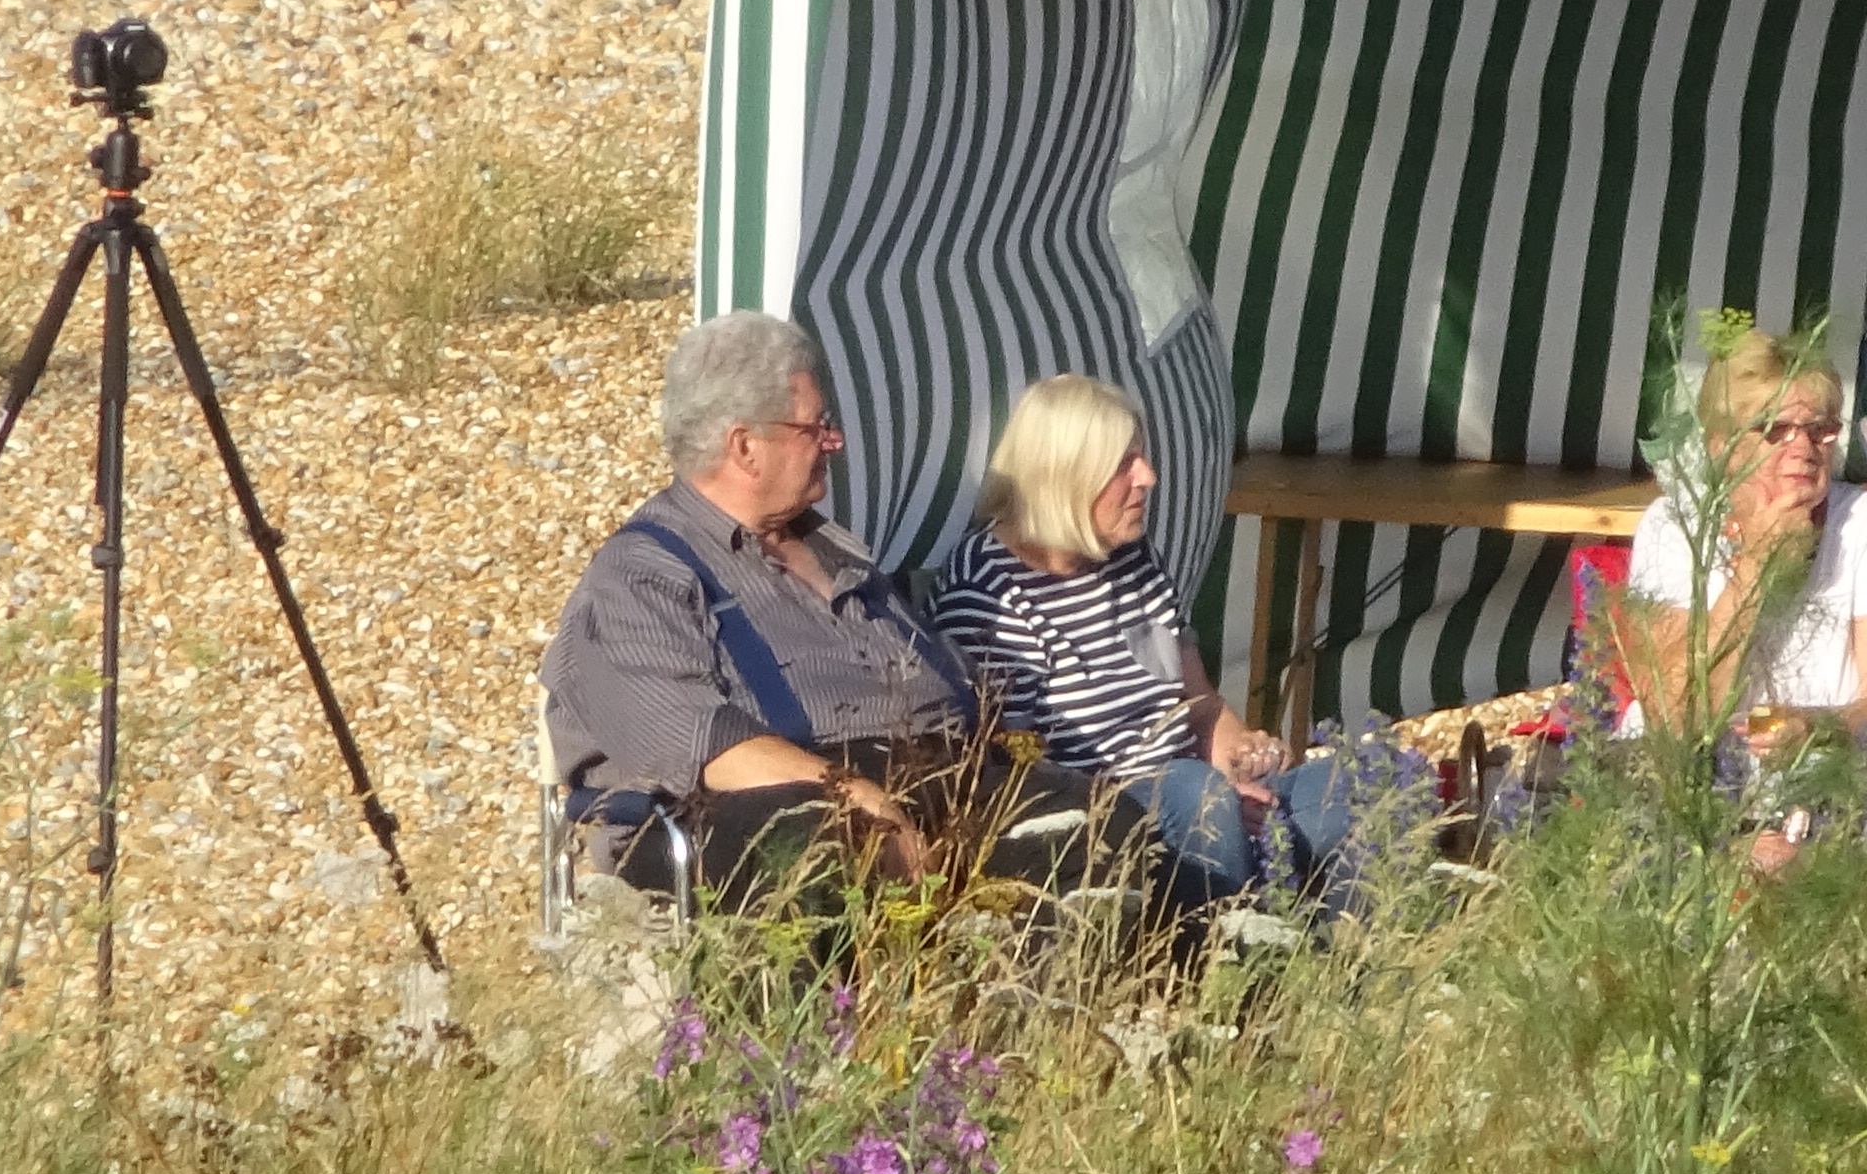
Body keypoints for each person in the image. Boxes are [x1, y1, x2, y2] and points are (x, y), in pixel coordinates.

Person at [541, 311, 1011, 902]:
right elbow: (698, 741)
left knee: (1100, 825)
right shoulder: (640, 577)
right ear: (745, 447)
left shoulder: (835, 551)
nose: (834, 443)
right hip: (757, 812)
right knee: (814, 848)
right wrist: (853, 795)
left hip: (934, 780)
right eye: (816, 428)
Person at [939, 371, 1380, 910]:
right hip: (1105, 825)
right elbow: (1018, 779)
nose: (1147, 476)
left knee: (1367, 782)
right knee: (1195, 793)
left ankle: (1337, 954)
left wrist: (1243, 757)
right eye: (1124, 463)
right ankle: (1230, 950)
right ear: (1066, 474)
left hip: (1197, 794)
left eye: (1142, 457)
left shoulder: (1129, 557)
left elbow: (1200, 706)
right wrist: (1211, 796)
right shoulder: (988, 593)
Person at [1615, 330, 1867, 748]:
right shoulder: (1674, 525)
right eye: (1774, 429)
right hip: (1679, 765)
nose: (1803, 449)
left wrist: (1814, 729)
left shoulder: (1866, 522)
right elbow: (1672, 715)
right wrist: (1756, 565)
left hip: (1821, 764)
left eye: (1819, 430)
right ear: (1720, 446)